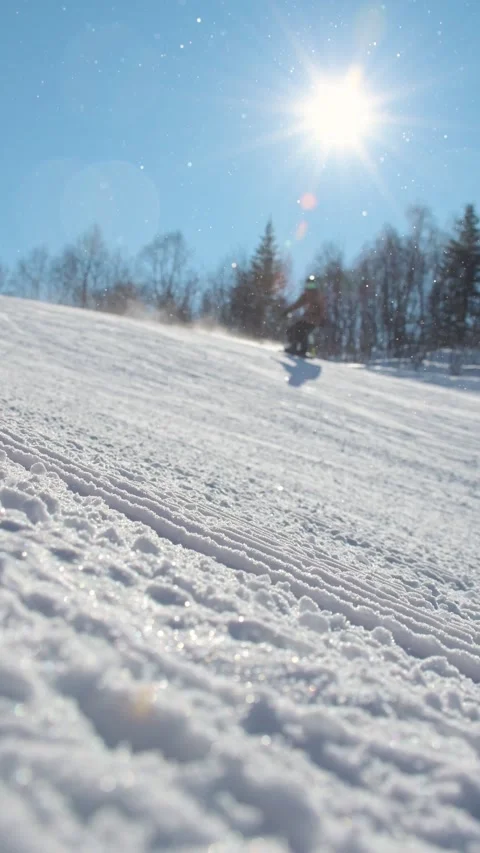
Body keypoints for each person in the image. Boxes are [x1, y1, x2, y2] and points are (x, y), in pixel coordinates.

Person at [283, 275, 326, 357]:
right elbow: (297, 304)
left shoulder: (317, 295)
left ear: (315, 285)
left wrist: (323, 318)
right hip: (307, 318)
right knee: (293, 329)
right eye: (308, 285)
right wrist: (288, 311)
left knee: (303, 331)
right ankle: (294, 346)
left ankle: (303, 350)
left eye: (312, 285)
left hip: (314, 319)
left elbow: (322, 307)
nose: (310, 287)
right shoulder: (306, 295)